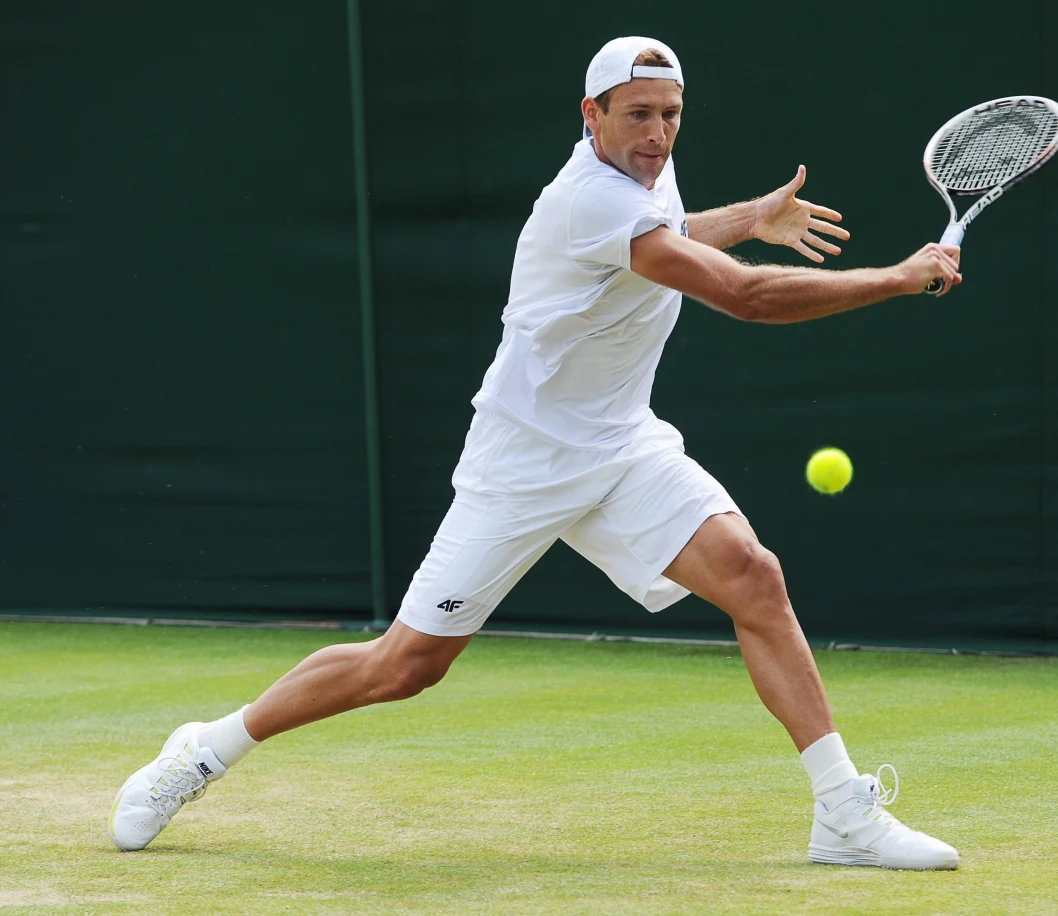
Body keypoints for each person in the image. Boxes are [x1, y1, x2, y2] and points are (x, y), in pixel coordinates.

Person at [109, 36, 963, 871]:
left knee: (752, 574)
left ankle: (843, 813)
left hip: (623, 444)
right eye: (637, 115)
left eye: (670, 115)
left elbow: (665, 232)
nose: (657, 134)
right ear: (590, 114)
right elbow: (741, 295)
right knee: (404, 667)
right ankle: (205, 750)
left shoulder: (645, 173)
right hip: (523, 463)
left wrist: (748, 216)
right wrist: (895, 277)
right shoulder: (586, 197)